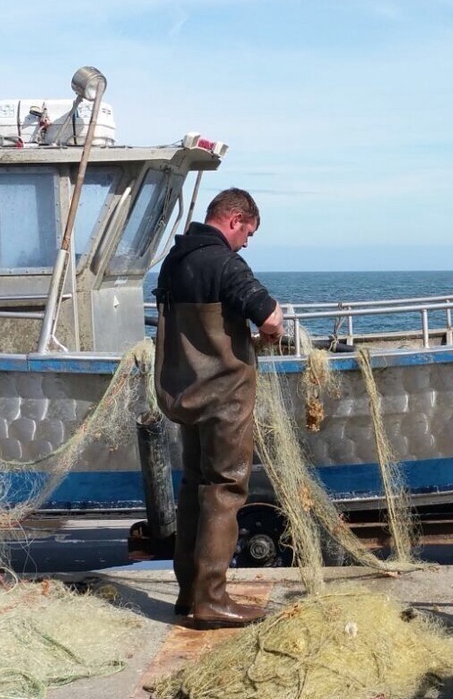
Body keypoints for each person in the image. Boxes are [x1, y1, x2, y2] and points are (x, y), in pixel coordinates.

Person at [153, 188, 283, 629]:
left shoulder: (175, 261)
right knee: (225, 489)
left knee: (195, 486)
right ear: (234, 220)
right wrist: (272, 332)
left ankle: (189, 593)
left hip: (186, 392)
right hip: (225, 398)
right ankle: (212, 599)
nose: (246, 243)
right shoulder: (225, 263)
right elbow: (268, 315)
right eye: (248, 233)